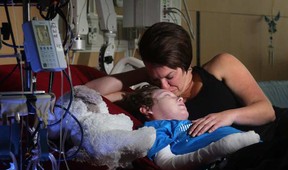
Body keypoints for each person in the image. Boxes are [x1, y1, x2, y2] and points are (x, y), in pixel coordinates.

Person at [85, 22, 275, 142]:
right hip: (246, 156)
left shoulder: (221, 65)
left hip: (273, 131)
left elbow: (267, 111)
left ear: (186, 64)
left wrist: (229, 116)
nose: (164, 86)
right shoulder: (154, 100)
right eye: (155, 79)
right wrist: (146, 74)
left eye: (170, 77)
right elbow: (88, 92)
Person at [123, 84, 260, 170]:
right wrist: (222, 147)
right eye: (168, 96)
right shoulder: (154, 128)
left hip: (252, 147)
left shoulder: (188, 122)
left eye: (177, 96)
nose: (180, 98)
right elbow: (167, 163)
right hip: (232, 159)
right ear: (147, 109)